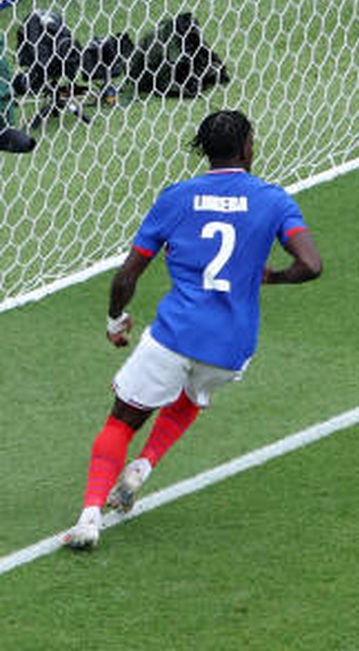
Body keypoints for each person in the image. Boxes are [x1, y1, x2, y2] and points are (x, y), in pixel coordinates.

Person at [64, 109, 322, 549]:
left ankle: (89, 519)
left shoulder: (177, 198)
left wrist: (115, 320)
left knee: (122, 420)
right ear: (247, 147)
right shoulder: (274, 200)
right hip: (232, 346)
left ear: (205, 150)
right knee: (192, 393)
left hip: (175, 334)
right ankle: (144, 466)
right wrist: (271, 276)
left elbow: (127, 277)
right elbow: (311, 265)